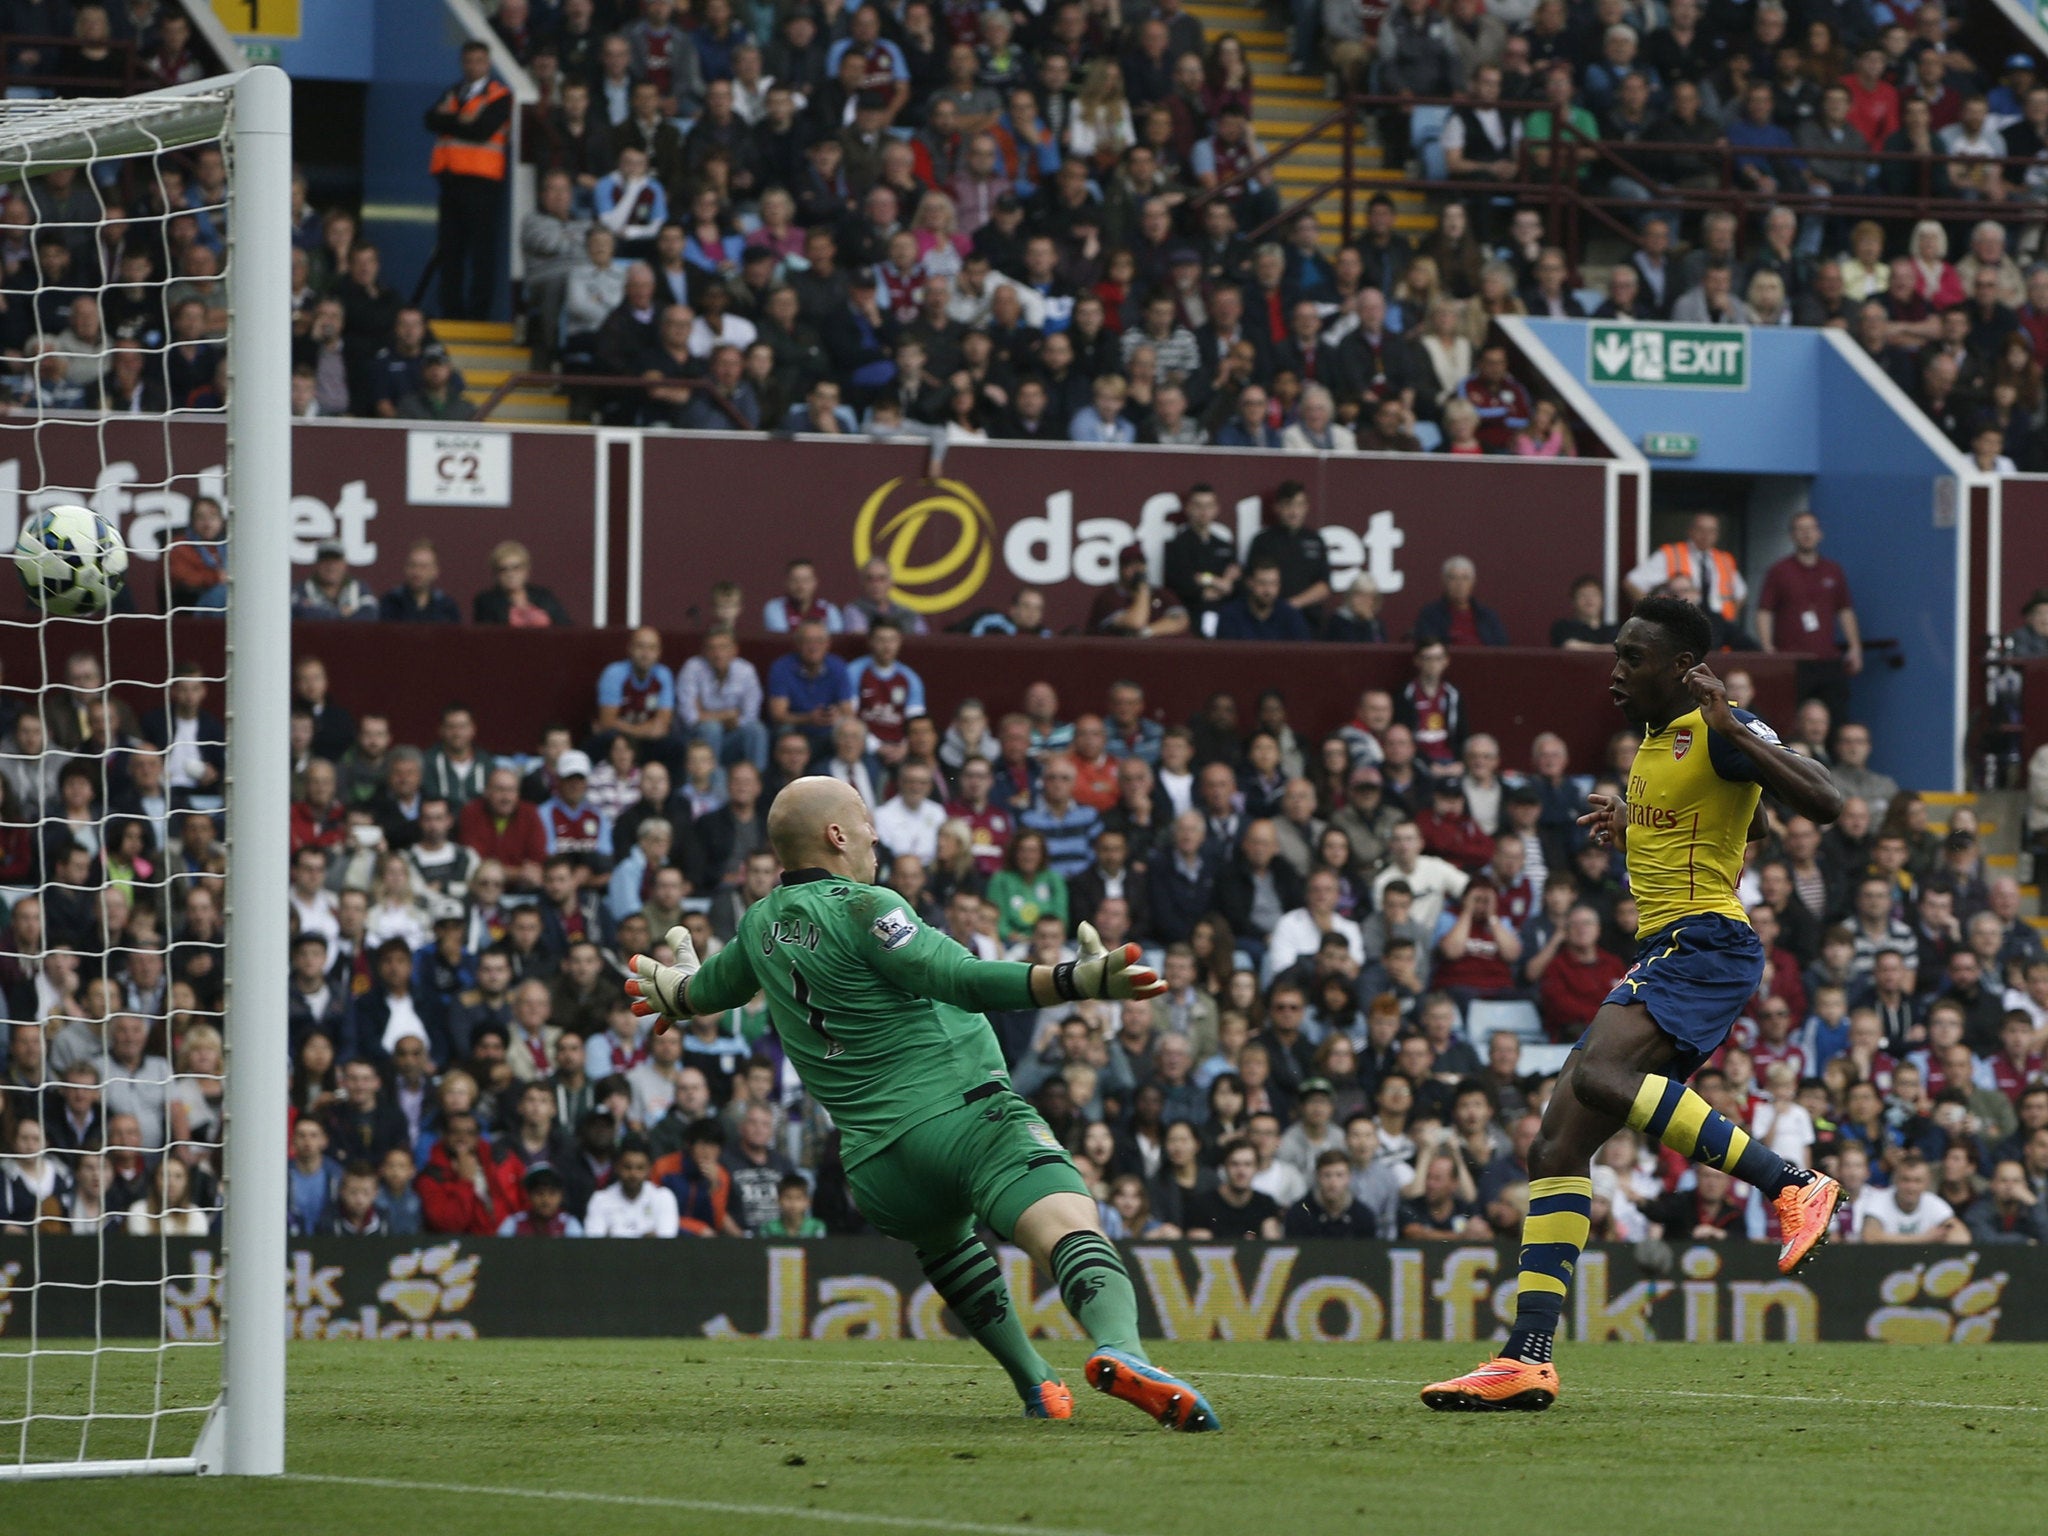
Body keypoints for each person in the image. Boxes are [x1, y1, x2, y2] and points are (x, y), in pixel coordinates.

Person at [625, 773, 1218, 1429]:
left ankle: (1037, 1386)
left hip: (876, 1169)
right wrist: (1072, 980)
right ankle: (1124, 1350)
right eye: (865, 819)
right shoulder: (863, 905)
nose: (876, 833)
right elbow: (957, 978)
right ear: (837, 834)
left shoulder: (760, 925)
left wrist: (675, 989)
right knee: (1070, 1224)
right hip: (960, 1115)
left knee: (954, 1254)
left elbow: (702, 993)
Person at [1423, 595, 1846, 1412]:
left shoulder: (1724, 729)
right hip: (1669, 949)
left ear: (1685, 670)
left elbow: (1824, 801)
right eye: (1616, 655)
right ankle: (1527, 1357)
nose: (1616, 672)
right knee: (1553, 1148)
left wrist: (1734, 729)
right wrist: (1636, 825)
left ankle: (1792, 1183)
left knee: (1600, 1079)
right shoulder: (1658, 742)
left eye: (1633, 658)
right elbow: (1730, 822)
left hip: (1707, 943)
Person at [424, 40, 514, 321]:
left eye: (479, 60)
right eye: (469, 61)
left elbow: (481, 130)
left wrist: (449, 119)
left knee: (481, 253)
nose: (474, 66)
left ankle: (478, 315)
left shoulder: (499, 95)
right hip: (450, 183)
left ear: (488, 64)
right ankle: (452, 312)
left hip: (482, 185)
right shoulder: (454, 91)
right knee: (451, 251)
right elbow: (428, 120)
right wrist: (462, 120)